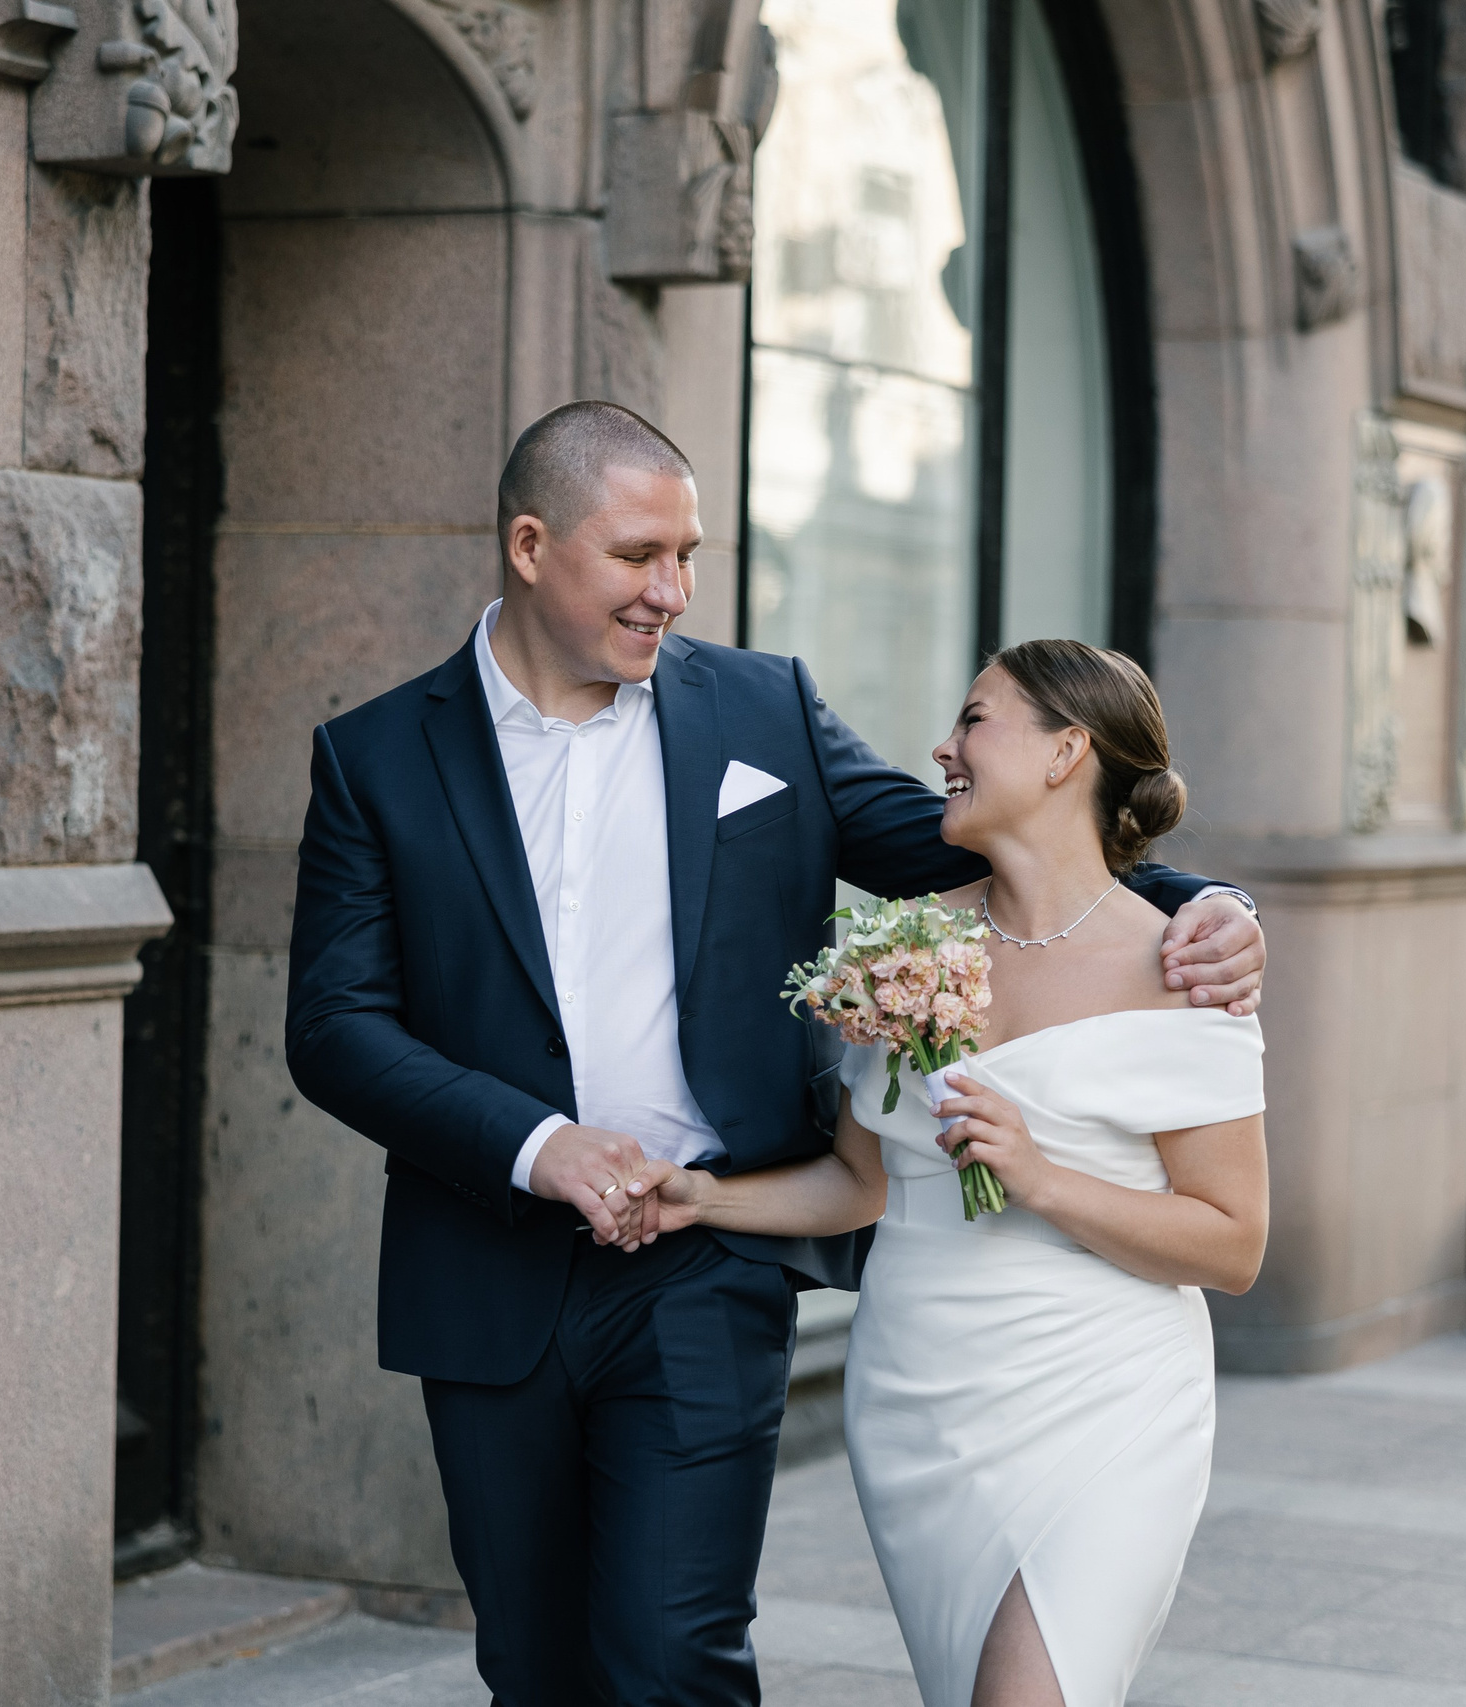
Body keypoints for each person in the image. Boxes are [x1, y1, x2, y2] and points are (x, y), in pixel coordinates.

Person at [283, 400, 1266, 1706]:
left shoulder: (763, 709)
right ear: (529, 544)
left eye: (688, 554)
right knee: (533, 1659)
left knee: (677, 1651)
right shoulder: (377, 757)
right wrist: (539, 1147)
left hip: (708, 1261)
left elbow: (989, 843)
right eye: (640, 556)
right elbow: (337, 1026)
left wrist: (1209, 904)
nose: (673, 590)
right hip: (489, 1263)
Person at [638, 638, 1268, 1707]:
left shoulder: (1180, 966)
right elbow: (859, 1184)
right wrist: (704, 1198)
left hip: (1106, 1398)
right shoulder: (900, 953)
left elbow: (1234, 1244)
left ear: (1067, 751)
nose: (943, 746)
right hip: (924, 1400)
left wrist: (1040, 1176)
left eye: (976, 719)